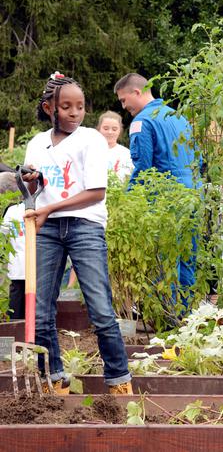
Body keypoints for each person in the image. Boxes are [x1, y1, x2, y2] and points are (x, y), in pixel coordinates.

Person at [22, 71, 132, 395]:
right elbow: (34, 189)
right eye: (66, 106)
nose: (74, 113)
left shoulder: (91, 140)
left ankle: (119, 381)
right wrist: (31, 179)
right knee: (41, 311)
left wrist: (48, 208)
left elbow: (96, 192)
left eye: (80, 107)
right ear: (48, 108)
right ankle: (54, 379)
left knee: (99, 309)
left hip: (85, 226)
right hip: (48, 230)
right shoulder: (36, 144)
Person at [114, 73, 199, 307]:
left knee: (165, 258)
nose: (123, 106)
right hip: (193, 193)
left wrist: (127, 201)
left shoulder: (142, 121)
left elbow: (143, 167)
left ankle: (168, 315)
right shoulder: (178, 116)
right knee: (187, 255)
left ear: (137, 92)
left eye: (123, 100)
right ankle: (187, 313)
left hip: (165, 197)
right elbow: (197, 158)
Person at [1, 172, 25, 320]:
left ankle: (16, 329)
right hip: (37, 266)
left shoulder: (11, 211)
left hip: (16, 266)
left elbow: (2, 235)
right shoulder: (36, 207)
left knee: (16, 300)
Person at [97, 110, 133, 180]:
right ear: (99, 129)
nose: (110, 132)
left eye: (114, 129)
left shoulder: (127, 154)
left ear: (120, 131)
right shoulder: (90, 151)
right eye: (106, 128)